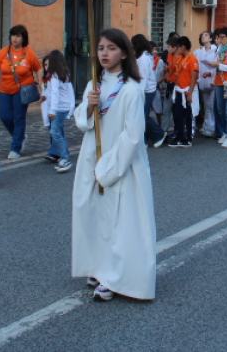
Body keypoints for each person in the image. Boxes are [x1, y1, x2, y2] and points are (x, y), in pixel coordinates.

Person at [71, 28, 157, 302]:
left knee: (120, 220)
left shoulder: (132, 89)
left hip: (121, 164)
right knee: (94, 214)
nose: (104, 53)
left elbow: (133, 136)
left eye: (110, 48)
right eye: (100, 48)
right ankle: (98, 267)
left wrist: (108, 170)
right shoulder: (93, 84)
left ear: (123, 52)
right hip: (91, 157)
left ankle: (116, 276)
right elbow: (82, 123)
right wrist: (89, 107)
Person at [0, 24, 42, 160]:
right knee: (4, 116)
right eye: (13, 35)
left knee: (19, 117)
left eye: (18, 36)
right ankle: (20, 136)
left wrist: (39, 83)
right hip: (4, 90)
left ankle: (15, 148)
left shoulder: (28, 53)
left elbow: (38, 68)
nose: (15, 38)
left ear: (23, 38)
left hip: (22, 90)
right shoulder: (3, 52)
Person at [132, 34, 168, 148]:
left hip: (146, 90)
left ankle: (159, 134)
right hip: (148, 89)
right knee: (143, 115)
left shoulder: (143, 58)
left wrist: (139, 93)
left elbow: (143, 78)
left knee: (142, 116)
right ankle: (145, 139)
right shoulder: (146, 56)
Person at [43, 50, 76, 173]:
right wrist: (71, 107)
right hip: (63, 107)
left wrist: (52, 111)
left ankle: (65, 158)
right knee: (59, 132)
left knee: (54, 132)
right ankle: (61, 153)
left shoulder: (55, 76)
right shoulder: (63, 74)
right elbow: (68, 91)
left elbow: (56, 94)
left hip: (58, 108)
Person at [168, 36, 198, 148]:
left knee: (188, 116)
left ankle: (188, 138)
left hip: (187, 91)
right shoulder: (180, 58)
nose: (177, 49)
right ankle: (180, 137)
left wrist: (190, 93)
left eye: (178, 47)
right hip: (178, 90)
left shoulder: (192, 59)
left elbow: (194, 77)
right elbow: (176, 73)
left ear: (183, 47)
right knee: (178, 115)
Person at [195, 31, 219, 137]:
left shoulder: (216, 50)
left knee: (212, 106)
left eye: (205, 35)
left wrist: (210, 73)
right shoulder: (198, 52)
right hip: (202, 81)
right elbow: (197, 65)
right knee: (206, 106)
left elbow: (218, 65)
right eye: (202, 35)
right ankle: (206, 127)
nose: (203, 37)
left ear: (210, 38)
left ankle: (212, 128)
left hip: (213, 80)